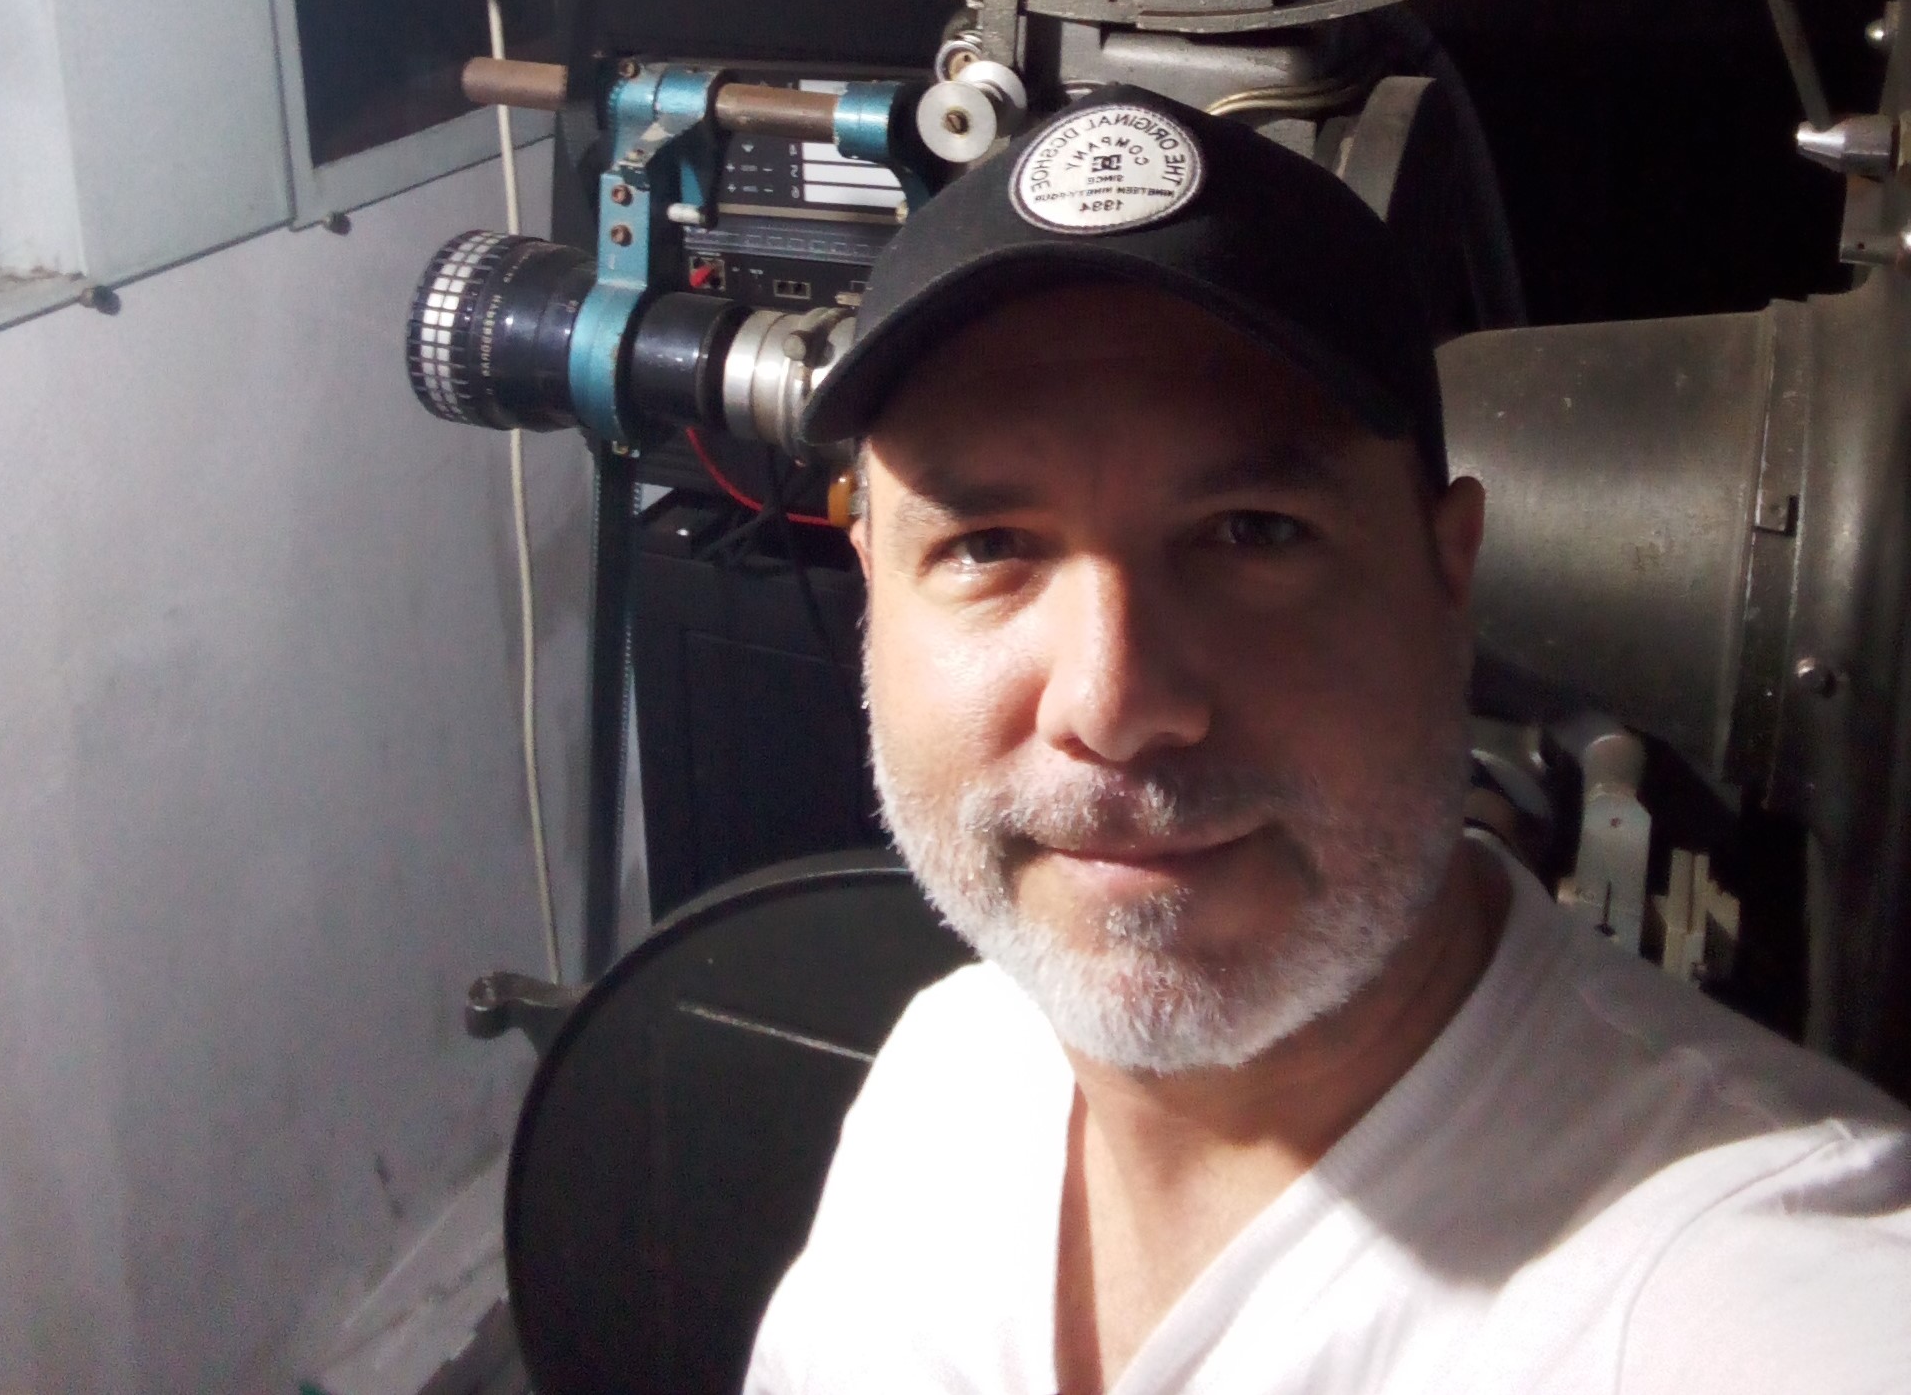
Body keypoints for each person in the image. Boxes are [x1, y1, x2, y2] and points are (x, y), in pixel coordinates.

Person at [742, 88, 1911, 1394]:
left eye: (1252, 532)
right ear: (872, 587)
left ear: (1450, 571)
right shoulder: (946, 1070)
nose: (1114, 701)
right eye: (988, 546)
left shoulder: (1752, 1285)